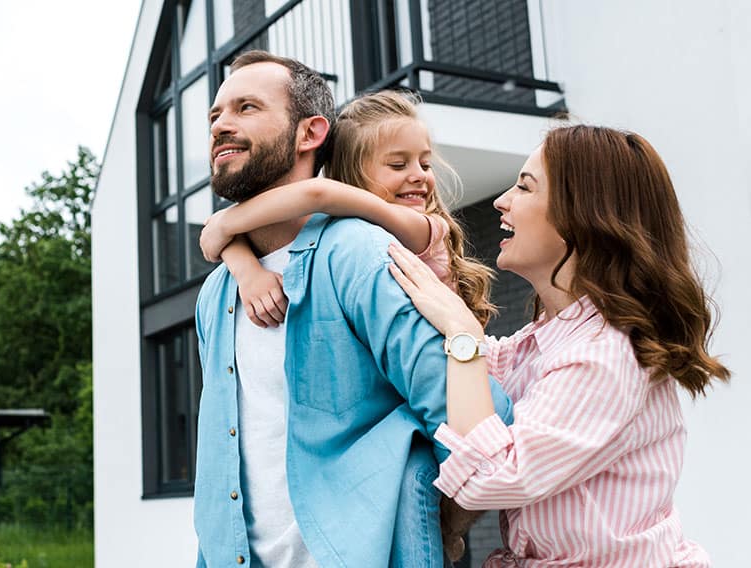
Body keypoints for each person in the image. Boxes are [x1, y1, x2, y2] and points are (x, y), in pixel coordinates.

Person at [192, 50, 512, 567]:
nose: (221, 126)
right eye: (215, 115)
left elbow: (476, 423)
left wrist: (427, 520)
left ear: (310, 132)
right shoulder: (217, 293)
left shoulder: (361, 254)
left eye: (246, 108)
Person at [387, 124, 730, 567]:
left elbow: (489, 476)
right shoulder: (552, 337)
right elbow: (482, 372)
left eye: (525, 187)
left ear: (582, 214)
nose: (501, 200)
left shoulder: (602, 353)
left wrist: (462, 333)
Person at [199, 90, 495, 332]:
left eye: (425, 164)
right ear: (352, 175)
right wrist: (248, 272)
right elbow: (229, 239)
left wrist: (227, 221)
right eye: (398, 165)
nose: (420, 175)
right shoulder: (340, 233)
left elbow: (318, 194)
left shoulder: (425, 228)